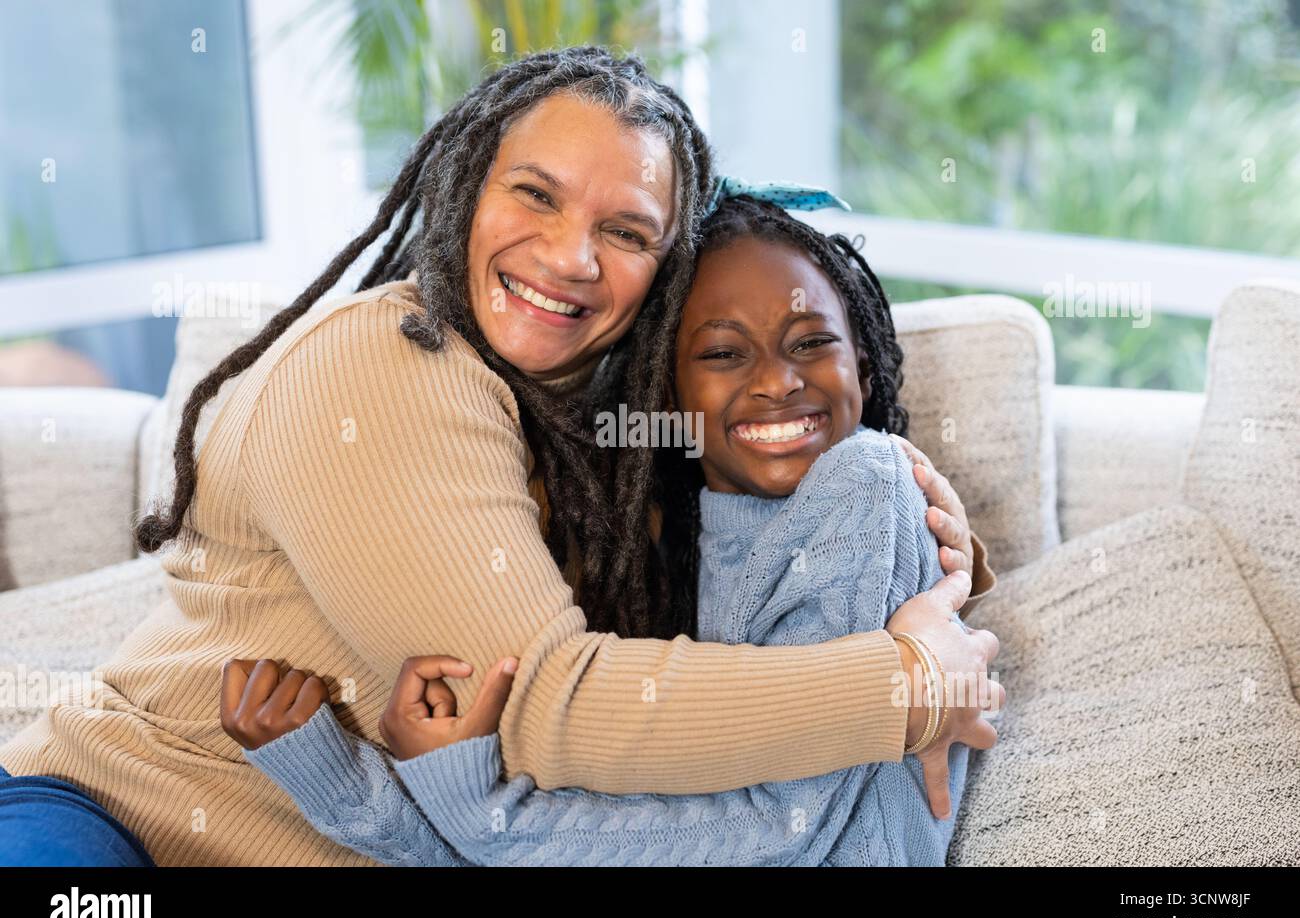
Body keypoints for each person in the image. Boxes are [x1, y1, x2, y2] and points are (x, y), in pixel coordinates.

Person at [0, 48, 997, 866]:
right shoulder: (380, 365)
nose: (572, 256)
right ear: (464, 188)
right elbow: (550, 710)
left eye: (624, 230)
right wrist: (905, 686)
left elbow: (771, 464)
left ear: (661, 272)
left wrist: (903, 508)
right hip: (119, 821)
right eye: (536, 196)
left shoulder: (613, 415)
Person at [224, 190, 1004, 866]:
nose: (777, 379)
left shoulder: (861, 482)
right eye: (724, 352)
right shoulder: (681, 546)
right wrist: (348, 777)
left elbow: (779, 828)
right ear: (667, 396)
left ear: (864, 368)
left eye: (811, 343)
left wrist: (479, 808)